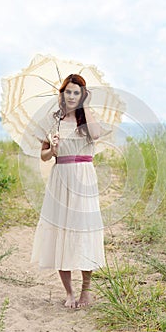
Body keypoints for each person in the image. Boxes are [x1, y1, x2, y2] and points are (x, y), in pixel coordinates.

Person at [31, 74, 106, 309]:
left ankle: (86, 291)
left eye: (77, 92)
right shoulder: (52, 122)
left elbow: (95, 135)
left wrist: (86, 107)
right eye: (69, 92)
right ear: (62, 94)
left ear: (82, 95)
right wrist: (52, 149)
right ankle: (69, 292)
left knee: (84, 231)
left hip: (83, 176)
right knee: (60, 232)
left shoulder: (88, 119)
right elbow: (42, 156)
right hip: (60, 177)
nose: (72, 96)